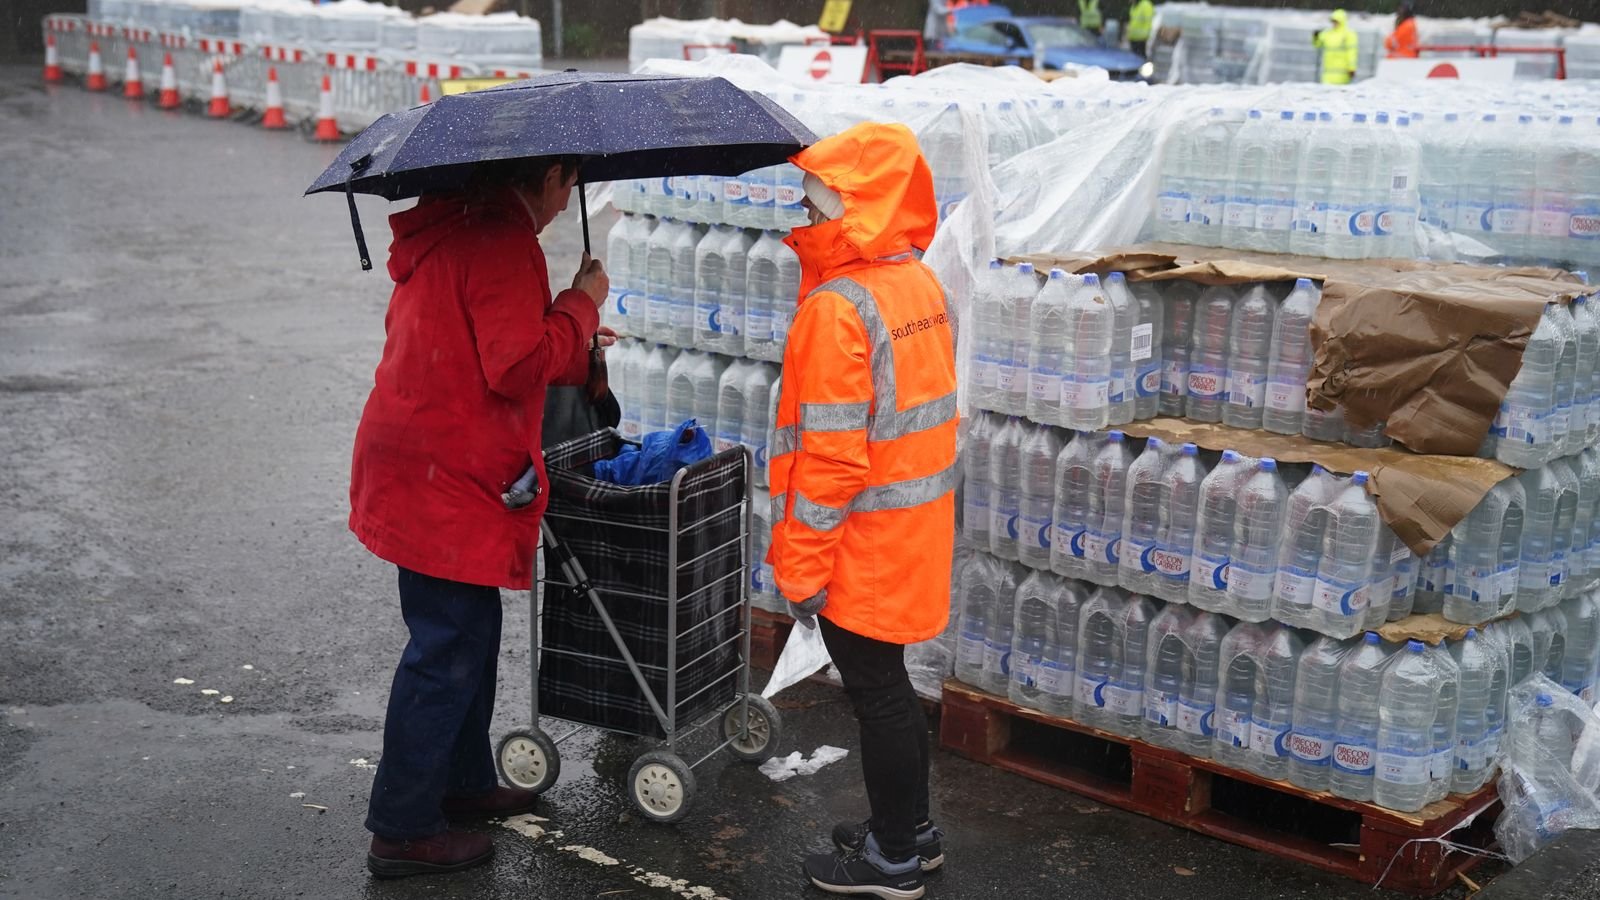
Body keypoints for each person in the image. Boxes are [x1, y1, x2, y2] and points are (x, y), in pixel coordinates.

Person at [349, 155, 613, 879]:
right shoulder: (499, 239)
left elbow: (487, 342)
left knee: (468, 630)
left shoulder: (460, 225)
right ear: (551, 175)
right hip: (444, 471)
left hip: (422, 455)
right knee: (446, 648)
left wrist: (567, 328)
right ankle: (402, 827)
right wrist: (580, 306)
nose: (569, 199)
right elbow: (517, 366)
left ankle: (459, 781)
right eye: (570, 182)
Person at [772, 121, 958, 900]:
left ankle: (891, 861)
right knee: (894, 687)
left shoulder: (838, 308)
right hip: (911, 533)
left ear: (851, 211)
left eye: (817, 206)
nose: (806, 218)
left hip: (861, 544)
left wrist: (801, 566)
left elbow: (832, 458)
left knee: (877, 691)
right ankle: (909, 830)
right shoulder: (916, 283)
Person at [1313, 9, 1360, 85]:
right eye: (1333, 21)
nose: (1334, 23)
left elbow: (1352, 53)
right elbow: (1317, 44)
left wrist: (1352, 68)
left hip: (1342, 74)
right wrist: (1315, 37)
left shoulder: (1348, 34)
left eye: (1336, 21)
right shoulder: (1328, 33)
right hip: (1327, 74)